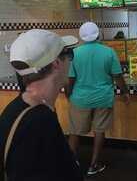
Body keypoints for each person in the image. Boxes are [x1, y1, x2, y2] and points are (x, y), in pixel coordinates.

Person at [0, 29, 83, 181]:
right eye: (69, 54)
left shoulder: (18, 108)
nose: (71, 60)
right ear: (57, 63)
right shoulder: (39, 121)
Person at [66, 22, 130, 177]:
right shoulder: (109, 52)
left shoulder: (75, 53)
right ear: (98, 34)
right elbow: (118, 76)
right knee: (99, 131)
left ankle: (69, 163)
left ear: (81, 36)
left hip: (80, 99)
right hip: (103, 98)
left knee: (74, 132)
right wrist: (125, 92)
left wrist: (69, 95)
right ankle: (94, 164)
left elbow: (70, 79)